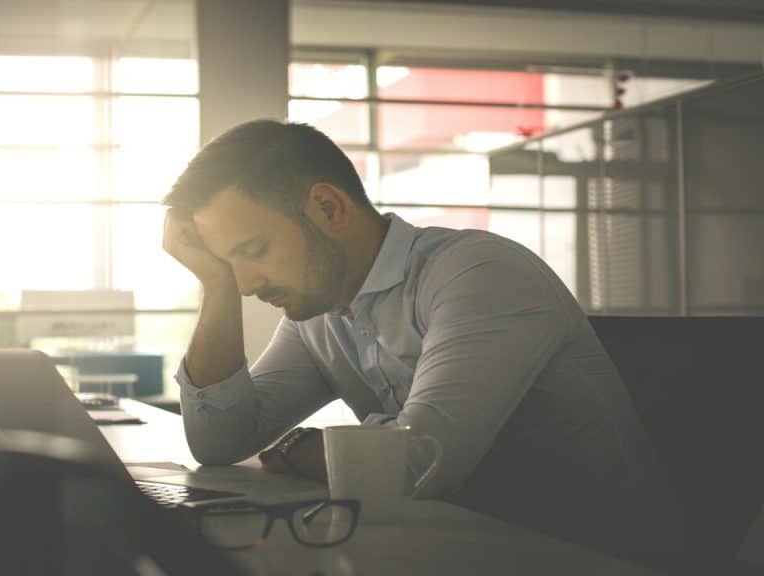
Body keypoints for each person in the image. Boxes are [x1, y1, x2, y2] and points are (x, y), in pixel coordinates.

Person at [160, 119, 679, 566]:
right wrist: (215, 285)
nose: (246, 284)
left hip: (592, 557)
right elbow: (220, 442)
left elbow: (419, 463)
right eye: (229, 264)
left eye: (253, 250)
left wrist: (301, 446)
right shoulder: (318, 314)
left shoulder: (480, 272)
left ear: (329, 208)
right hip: (459, 547)